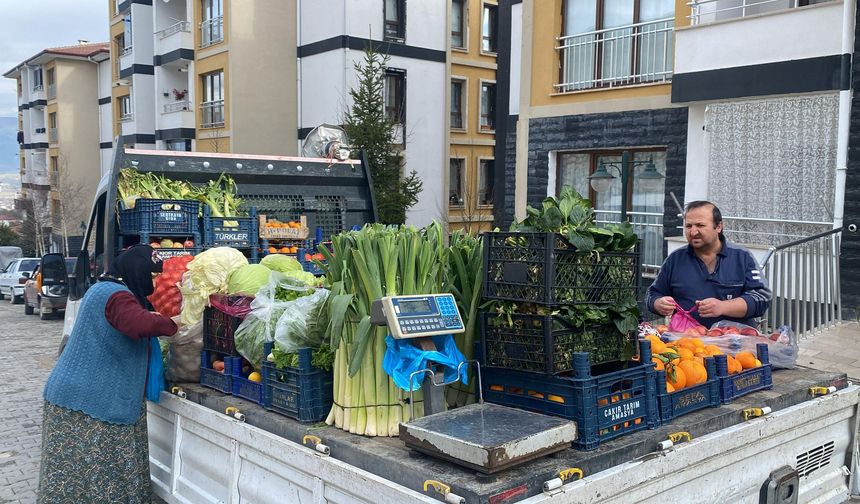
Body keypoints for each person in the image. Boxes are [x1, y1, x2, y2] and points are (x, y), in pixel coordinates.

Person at [37, 245, 178, 503]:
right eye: (153, 274)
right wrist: (173, 323)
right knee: (101, 475)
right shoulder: (116, 295)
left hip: (72, 397)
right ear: (137, 270)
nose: (155, 282)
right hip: (87, 403)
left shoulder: (102, 288)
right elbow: (136, 323)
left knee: (78, 478)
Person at [646, 201, 772, 328]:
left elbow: (762, 298)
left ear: (718, 226)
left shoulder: (742, 257)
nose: (693, 232)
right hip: (687, 343)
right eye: (689, 226)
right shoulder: (675, 259)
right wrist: (658, 304)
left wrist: (723, 307)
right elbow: (652, 294)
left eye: (700, 225)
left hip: (734, 342)